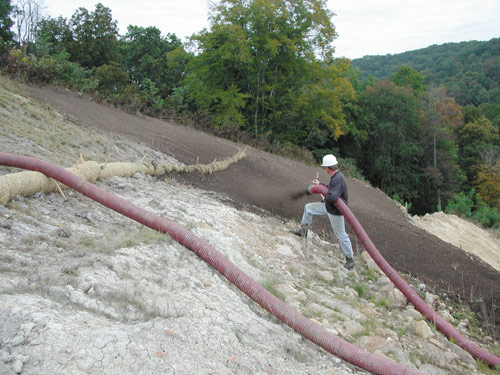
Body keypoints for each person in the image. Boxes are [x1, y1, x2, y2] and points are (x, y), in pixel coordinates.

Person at [292, 154, 354, 270]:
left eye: (325, 167)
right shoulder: (335, 177)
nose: (324, 169)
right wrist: (319, 185)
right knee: (308, 208)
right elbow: (330, 189)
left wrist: (325, 197)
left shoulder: (338, 179)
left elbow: (333, 196)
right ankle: (303, 231)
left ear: (328, 168)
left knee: (341, 235)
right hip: (329, 207)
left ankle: (350, 260)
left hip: (335, 211)